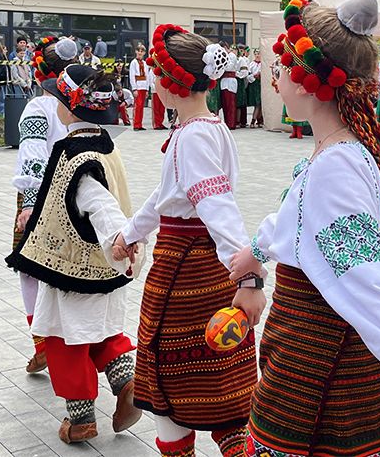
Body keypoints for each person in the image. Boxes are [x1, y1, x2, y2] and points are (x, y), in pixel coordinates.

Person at [229, 0, 380, 456]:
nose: (273, 76)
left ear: (307, 83)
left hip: (322, 362)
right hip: (316, 351)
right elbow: (296, 212)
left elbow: (369, 279)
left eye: (280, 67)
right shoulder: (342, 150)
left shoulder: (336, 166)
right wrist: (258, 251)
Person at [110, 25, 254, 457]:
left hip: (185, 267)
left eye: (156, 72)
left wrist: (248, 277)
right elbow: (168, 197)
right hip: (206, 264)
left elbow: (216, 205)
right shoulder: (210, 127)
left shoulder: (191, 138)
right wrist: (130, 233)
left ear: (171, 83)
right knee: (218, 377)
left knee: (173, 382)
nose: (152, 80)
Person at [6, 63, 144, 443]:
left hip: (74, 265)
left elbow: (99, 203)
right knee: (100, 330)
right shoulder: (104, 146)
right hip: (102, 267)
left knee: (65, 338)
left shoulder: (78, 157)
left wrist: (119, 236)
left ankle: (81, 418)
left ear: (70, 108)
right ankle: (126, 384)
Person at [10, 36, 79, 375]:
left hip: (45, 197)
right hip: (78, 197)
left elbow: (33, 158)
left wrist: (31, 204)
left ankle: (43, 345)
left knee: (30, 272)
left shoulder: (39, 108)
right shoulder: (81, 106)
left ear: (39, 74)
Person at [129, 44, 165, 130]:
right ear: (136, 51)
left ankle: (140, 124)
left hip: (143, 86)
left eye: (142, 51)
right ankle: (136, 124)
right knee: (137, 106)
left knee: (141, 107)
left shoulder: (145, 63)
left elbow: (147, 77)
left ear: (144, 53)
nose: (140, 53)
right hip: (138, 86)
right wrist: (134, 88)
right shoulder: (133, 62)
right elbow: (132, 76)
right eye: (139, 51)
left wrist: (147, 90)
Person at [219, 45, 239, 130]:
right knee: (225, 104)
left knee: (231, 104)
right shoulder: (225, 56)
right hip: (224, 81)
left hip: (230, 81)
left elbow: (229, 67)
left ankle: (231, 123)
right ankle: (227, 122)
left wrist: (221, 65)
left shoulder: (232, 56)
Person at [247, 49, 262, 128]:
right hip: (254, 85)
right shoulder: (251, 64)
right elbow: (248, 75)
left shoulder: (263, 64)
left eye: (259, 53)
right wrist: (253, 76)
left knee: (260, 103)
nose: (257, 55)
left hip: (261, 85)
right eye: (256, 53)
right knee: (257, 103)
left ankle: (259, 120)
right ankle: (253, 121)